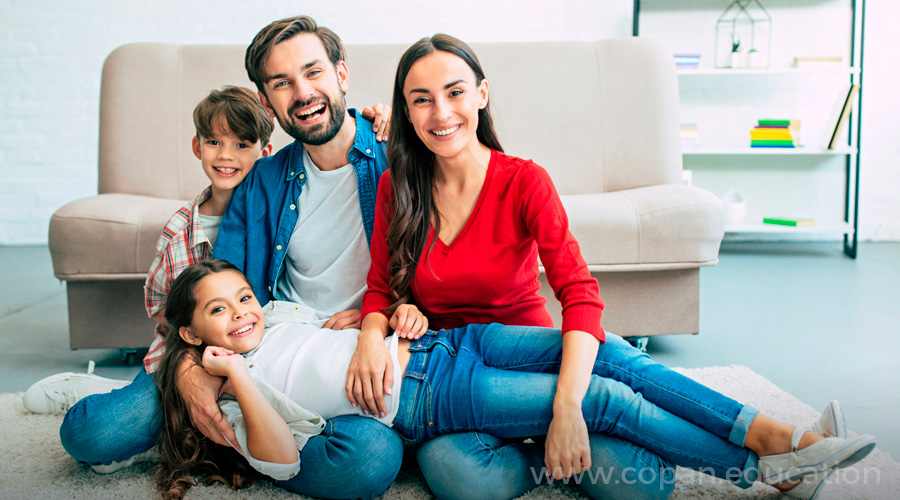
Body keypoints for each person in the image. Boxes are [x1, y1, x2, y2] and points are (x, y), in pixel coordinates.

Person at [356, 34, 877, 500]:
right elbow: (380, 287)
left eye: (454, 92)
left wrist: (566, 406)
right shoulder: (395, 187)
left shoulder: (523, 181)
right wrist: (371, 336)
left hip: (529, 354)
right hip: (459, 378)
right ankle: (560, 455)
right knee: (458, 474)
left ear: (481, 95)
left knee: (634, 474)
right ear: (404, 110)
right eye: (420, 100)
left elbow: (580, 295)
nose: (440, 112)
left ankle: (774, 442)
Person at [154, 260, 875, 500]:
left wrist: (390, 315)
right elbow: (282, 460)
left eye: (243, 296)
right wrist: (229, 374)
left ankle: (778, 436)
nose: (243, 314)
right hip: (432, 399)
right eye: (220, 311)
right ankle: (767, 465)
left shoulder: (279, 312)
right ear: (193, 335)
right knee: (598, 399)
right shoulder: (232, 398)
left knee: (601, 347)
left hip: (450, 343)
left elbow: (351, 316)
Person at [23, 82, 391, 478]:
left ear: (263, 153)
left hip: (274, 356)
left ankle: (213, 442)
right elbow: (164, 310)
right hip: (201, 350)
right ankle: (105, 397)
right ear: (198, 147)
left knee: (367, 458)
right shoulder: (186, 227)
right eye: (215, 143)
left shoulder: (281, 190)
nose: (227, 156)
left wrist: (383, 119)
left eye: (242, 145)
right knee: (96, 434)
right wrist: (190, 364)